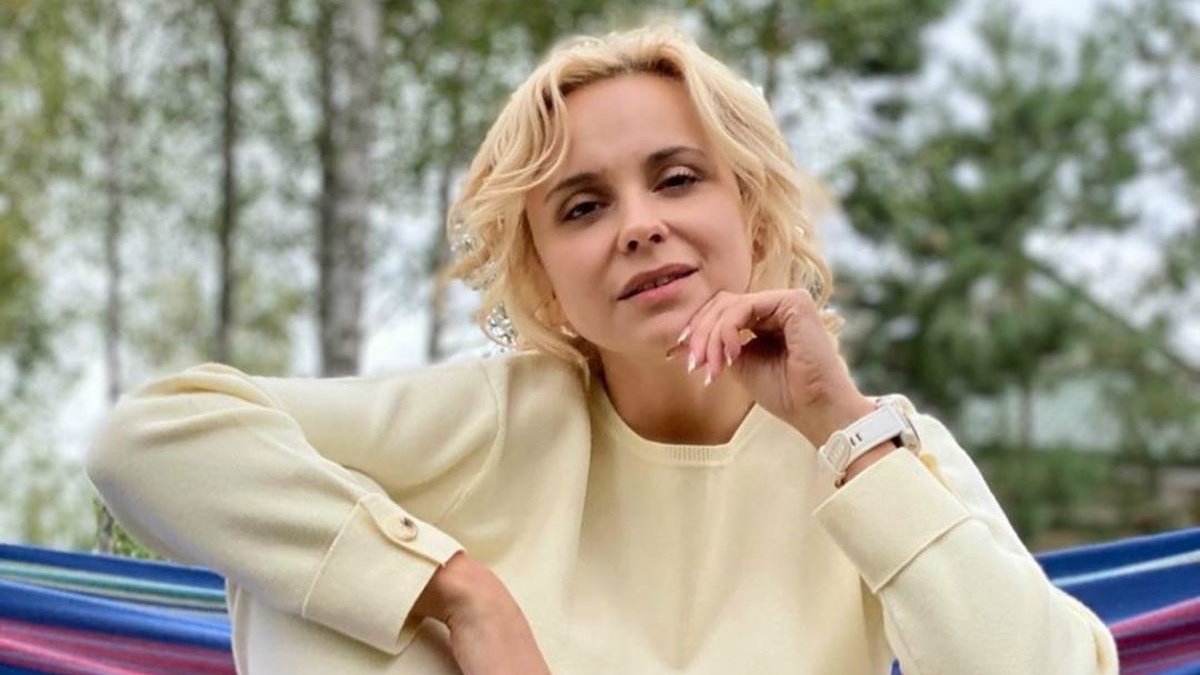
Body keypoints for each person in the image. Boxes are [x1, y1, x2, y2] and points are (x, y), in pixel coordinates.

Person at [87, 25, 1119, 675]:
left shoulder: (877, 450)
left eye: (677, 179)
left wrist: (843, 431)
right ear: (547, 282)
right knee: (312, 580)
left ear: (755, 215)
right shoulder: (501, 418)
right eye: (583, 207)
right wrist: (460, 593)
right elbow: (152, 437)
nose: (639, 225)